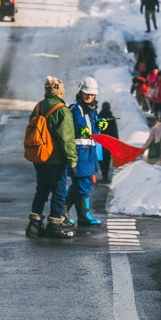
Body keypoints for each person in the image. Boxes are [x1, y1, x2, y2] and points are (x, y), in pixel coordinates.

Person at [25, 75, 77, 239]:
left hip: (39, 156)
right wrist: (72, 160)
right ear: (61, 93)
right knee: (59, 192)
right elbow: (66, 139)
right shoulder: (62, 110)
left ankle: (34, 224)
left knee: (41, 190)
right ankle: (54, 225)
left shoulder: (38, 107)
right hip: (55, 159)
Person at [67, 76, 106, 229]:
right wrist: (82, 129)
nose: (89, 97)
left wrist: (99, 127)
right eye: (86, 94)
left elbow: (93, 132)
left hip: (89, 154)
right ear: (81, 93)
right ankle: (81, 215)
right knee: (82, 185)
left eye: (92, 95)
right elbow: (79, 124)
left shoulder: (93, 110)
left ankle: (75, 214)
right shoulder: (76, 109)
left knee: (81, 185)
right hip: (80, 154)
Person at [95, 100, 120, 184]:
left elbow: (96, 129)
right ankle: (105, 174)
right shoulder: (111, 118)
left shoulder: (98, 117)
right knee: (107, 158)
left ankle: (103, 173)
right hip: (109, 142)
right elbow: (114, 131)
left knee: (101, 158)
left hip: (100, 141)